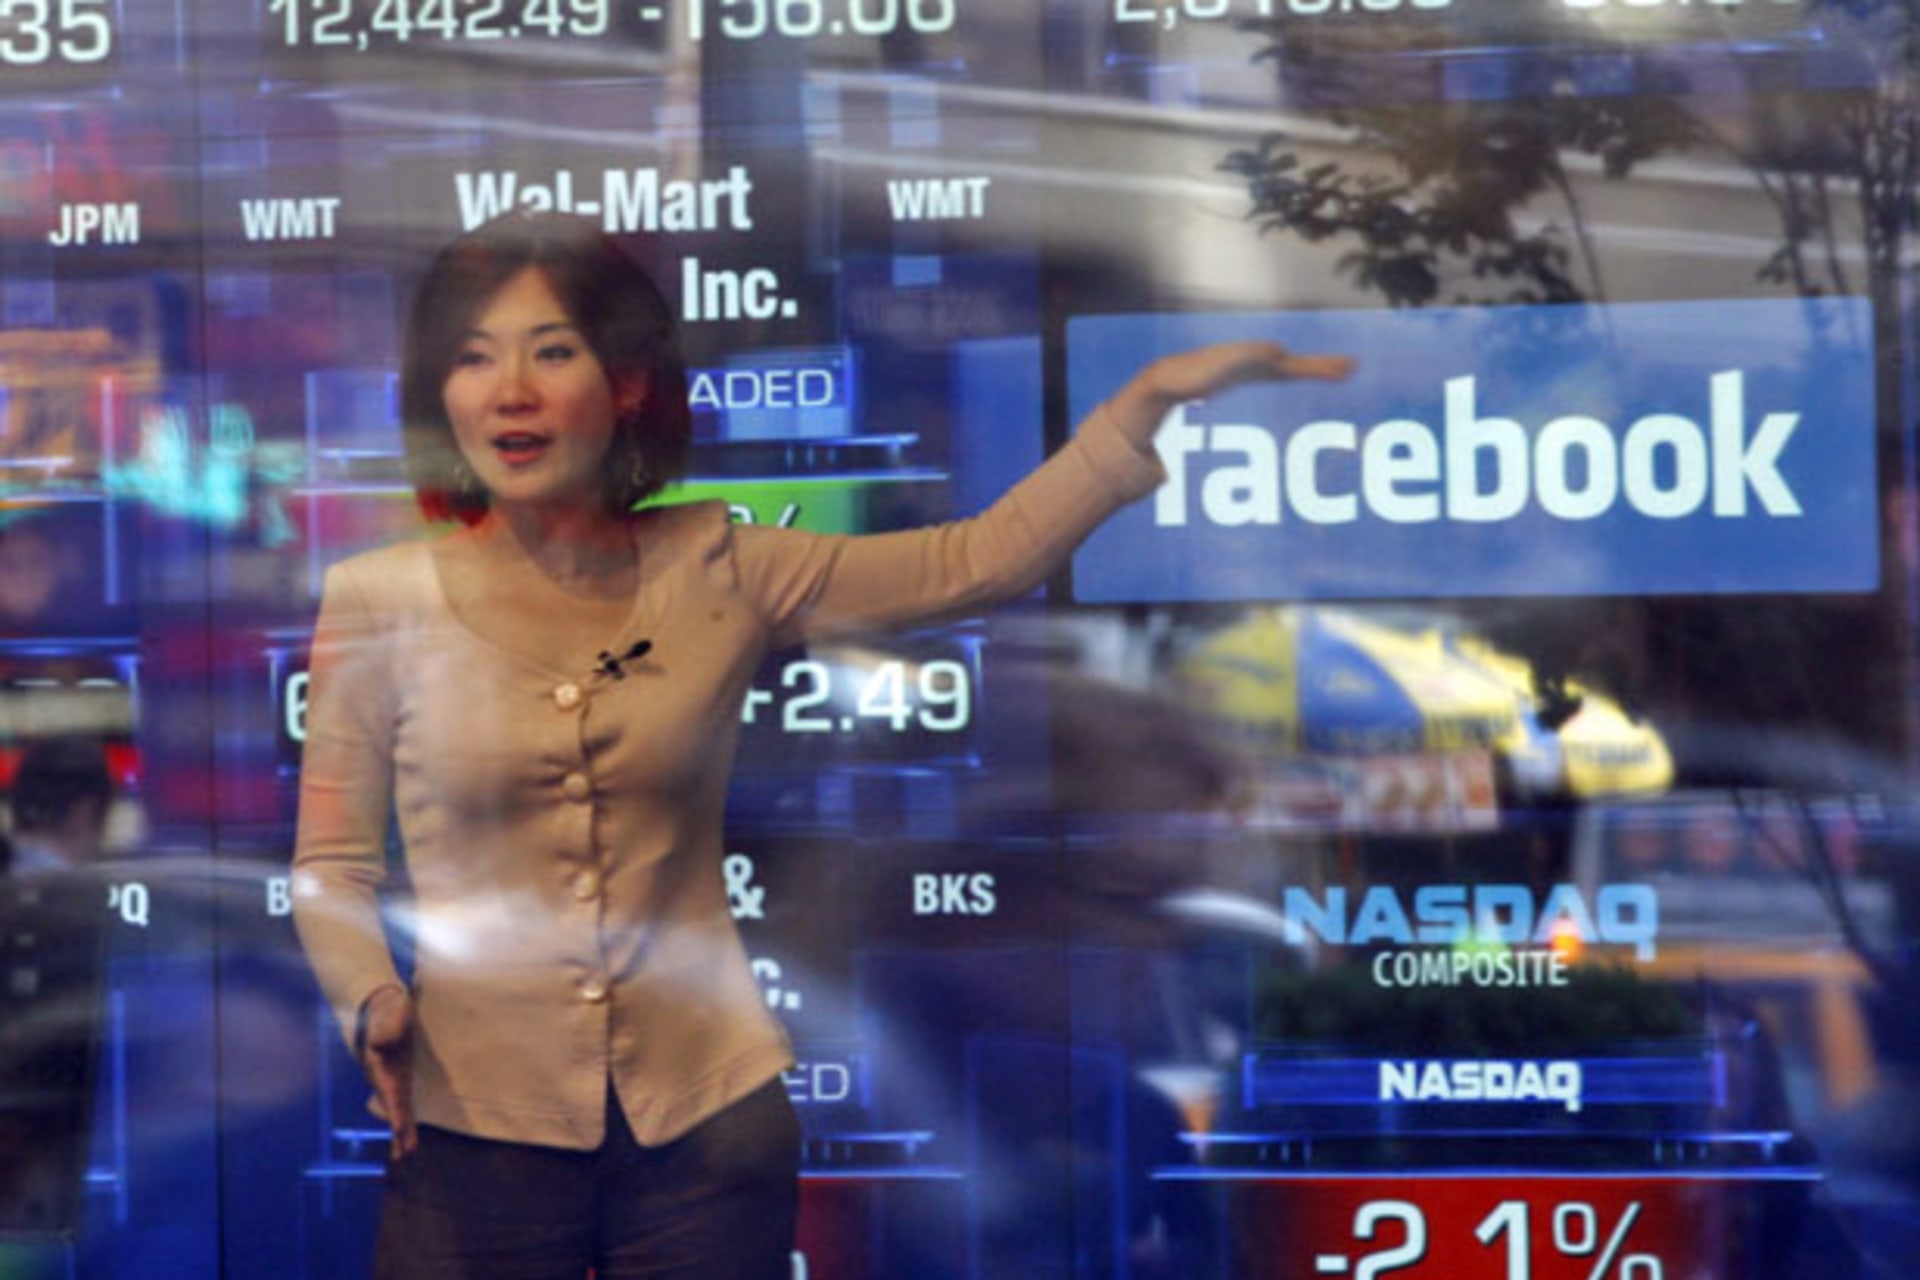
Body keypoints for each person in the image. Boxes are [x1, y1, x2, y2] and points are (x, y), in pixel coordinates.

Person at [289, 211, 1352, 1280]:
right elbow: (331, 867)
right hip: (474, 1129)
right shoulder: (380, 598)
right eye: (473, 359)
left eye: (551, 350)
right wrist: (372, 994)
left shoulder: (722, 562)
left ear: (624, 384)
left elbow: (972, 560)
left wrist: (1136, 413)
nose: (508, 388)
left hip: (706, 1125)